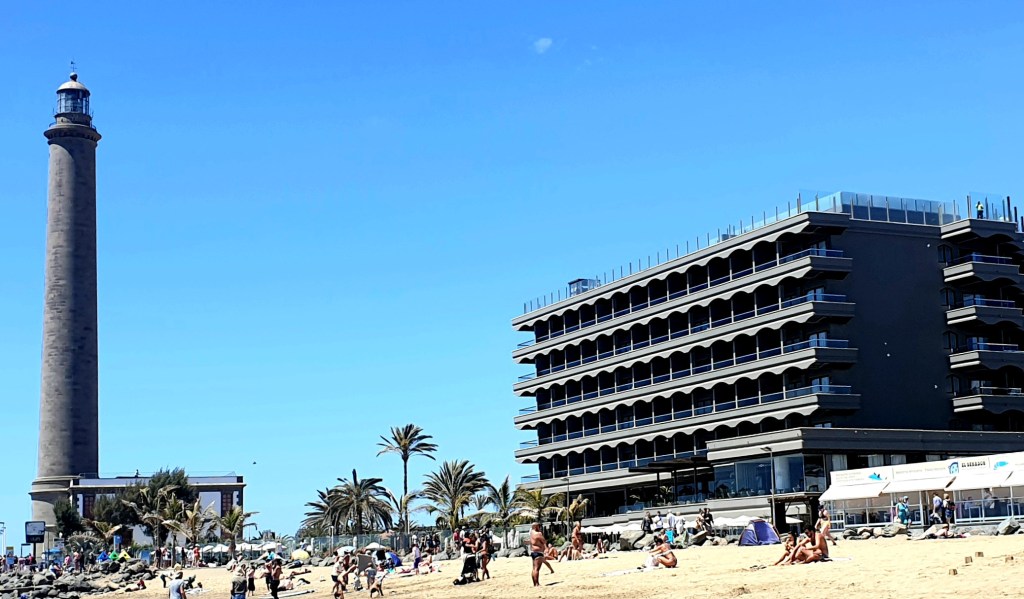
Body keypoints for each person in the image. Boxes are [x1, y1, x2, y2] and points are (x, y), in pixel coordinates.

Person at [529, 523, 549, 587]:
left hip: (533, 552)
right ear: (536, 527)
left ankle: (534, 583)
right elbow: (544, 541)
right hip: (538, 552)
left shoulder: (531, 533)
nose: (539, 527)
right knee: (537, 569)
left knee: (534, 568)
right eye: (538, 526)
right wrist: (546, 549)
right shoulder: (538, 534)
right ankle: (537, 583)